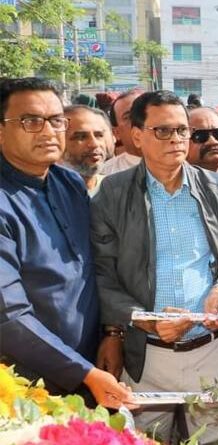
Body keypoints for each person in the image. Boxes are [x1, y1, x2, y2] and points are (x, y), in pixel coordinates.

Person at [91, 90, 218, 443]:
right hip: (147, 357)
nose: (175, 139)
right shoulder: (112, 193)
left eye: (182, 130)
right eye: (162, 131)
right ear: (137, 135)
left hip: (212, 351)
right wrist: (144, 319)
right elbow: (101, 272)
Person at [0, 77, 134, 409]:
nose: (48, 131)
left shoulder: (69, 182)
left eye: (57, 120)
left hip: (90, 371)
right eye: (31, 121)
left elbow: (96, 267)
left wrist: (112, 333)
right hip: (22, 386)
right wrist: (83, 372)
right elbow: (9, 315)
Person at [62, 105, 112, 196]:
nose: (94, 144)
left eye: (99, 135)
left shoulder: (117, 188)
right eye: (81, 137)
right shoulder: (47, 195)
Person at [101, 88, 144, 171]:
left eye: (143, 113)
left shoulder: (176, 163)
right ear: (116, 133)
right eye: (128, 117)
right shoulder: (106, 174)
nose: (140, 120)